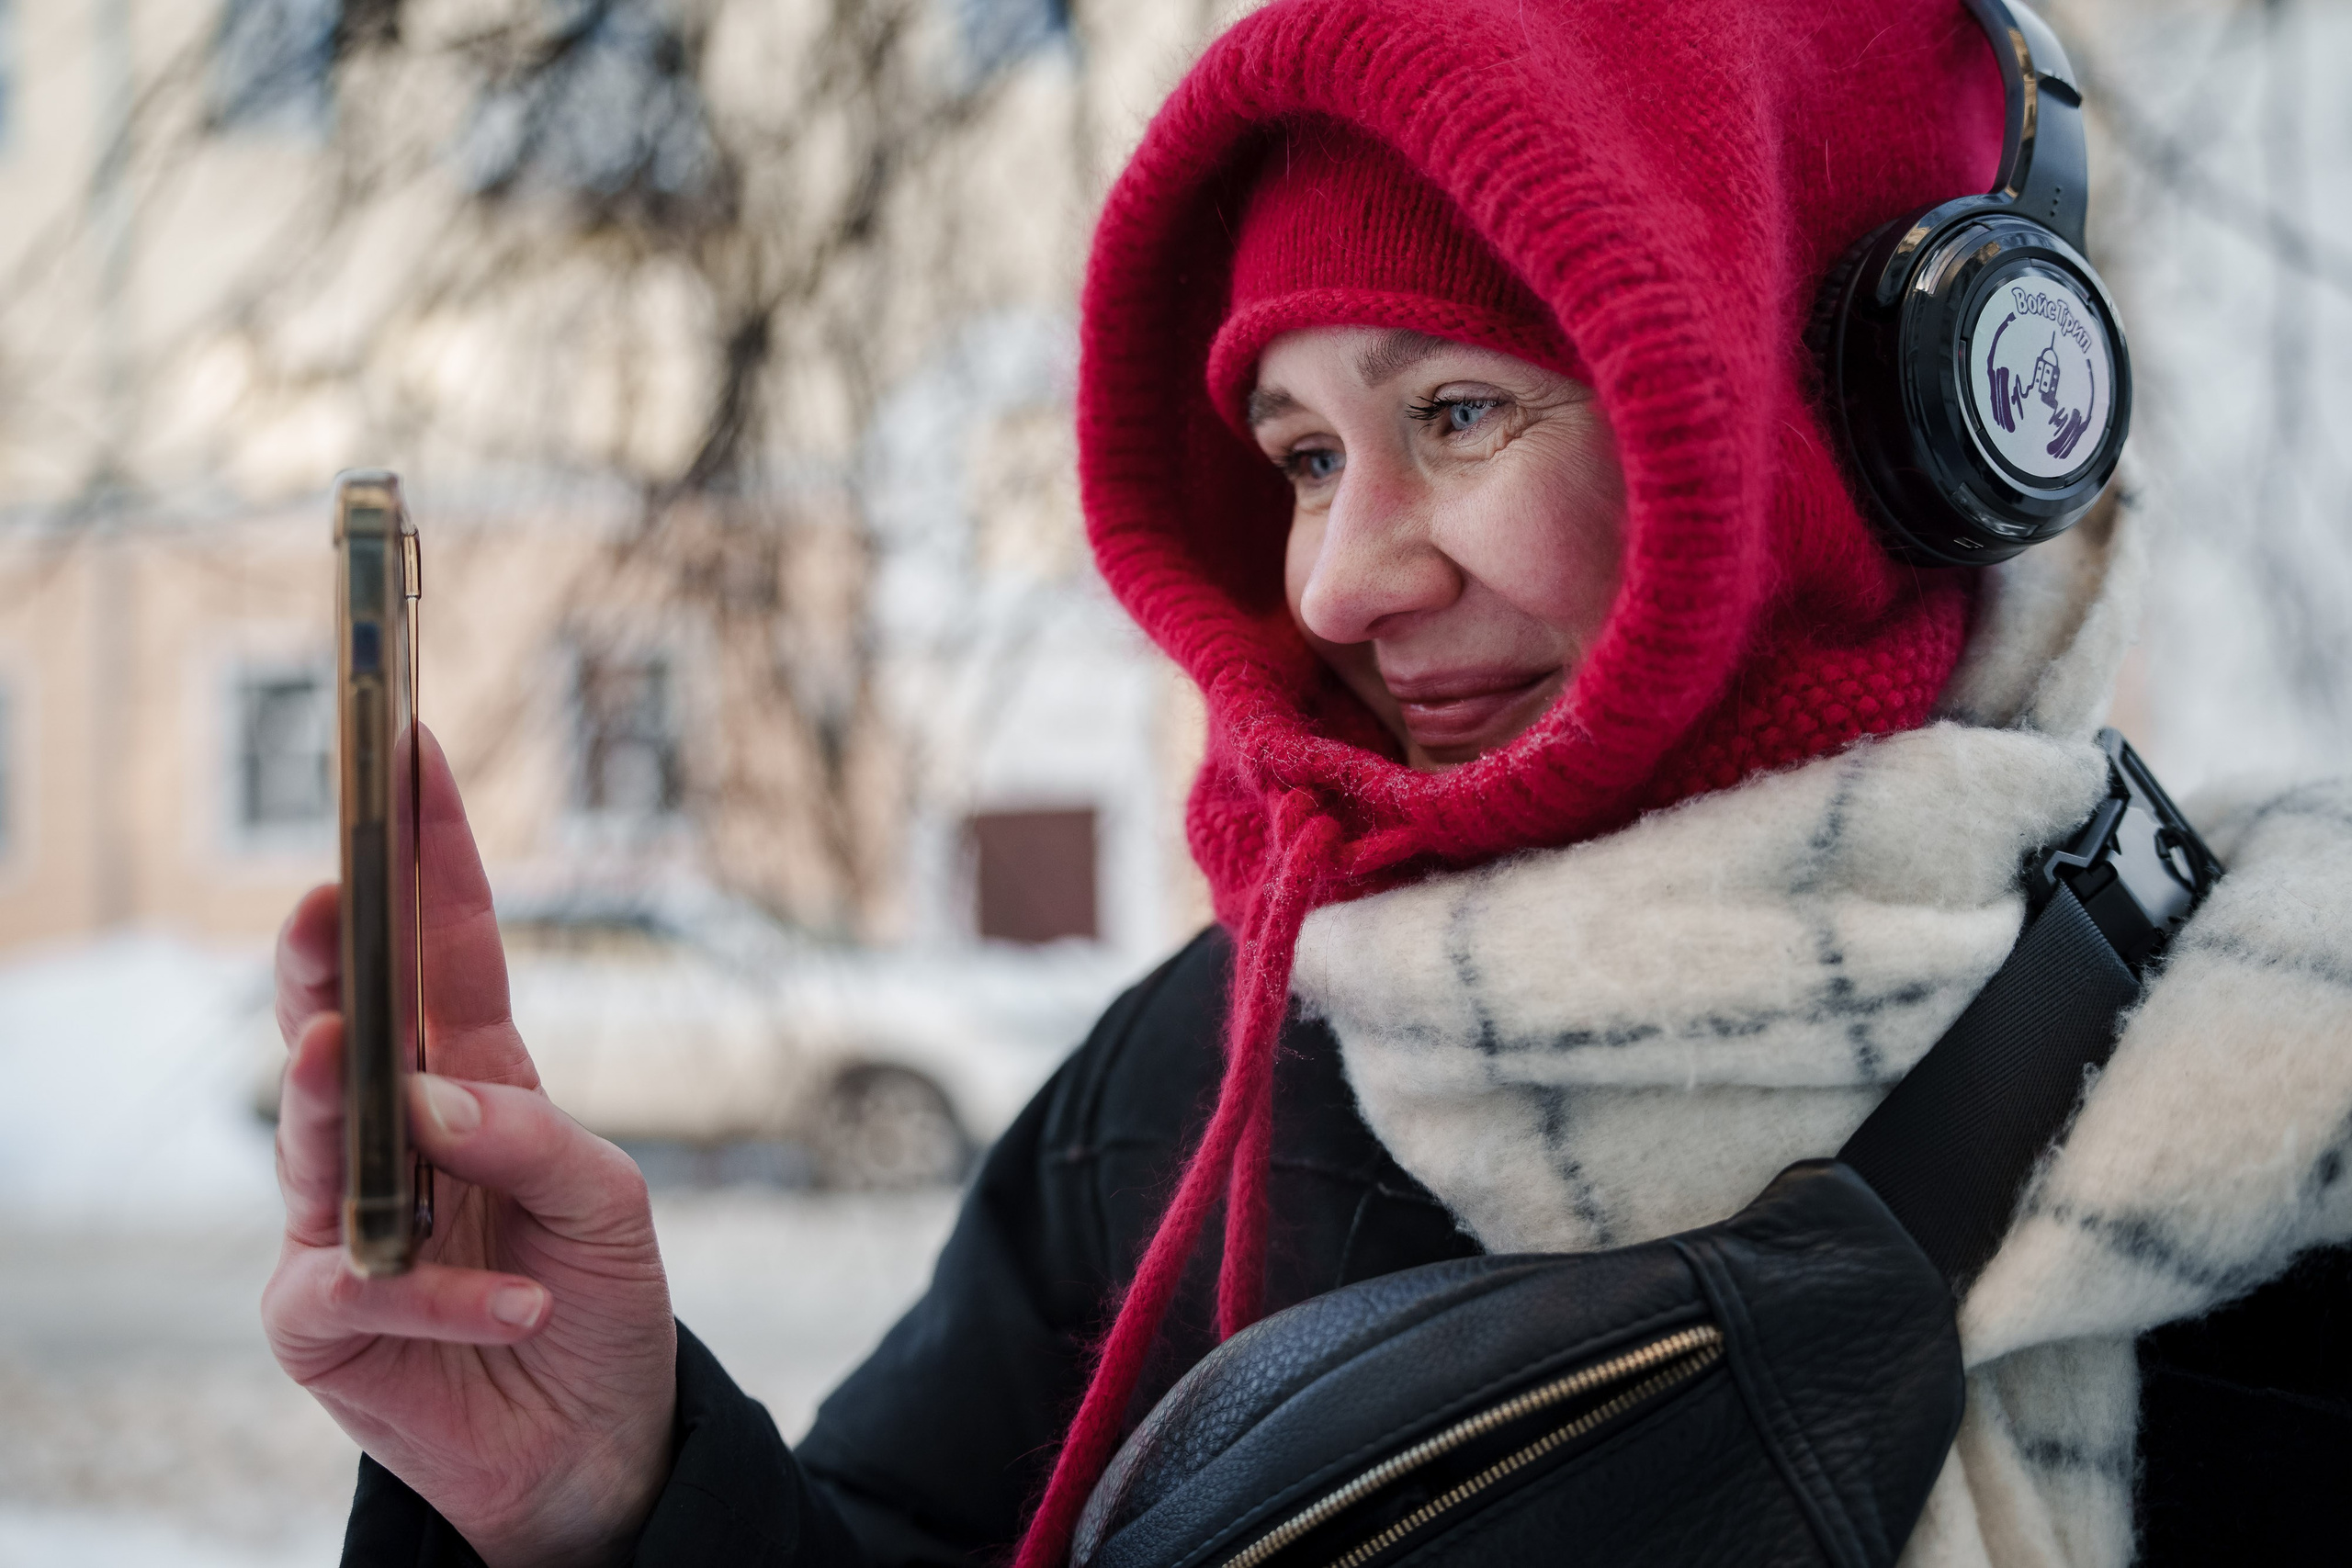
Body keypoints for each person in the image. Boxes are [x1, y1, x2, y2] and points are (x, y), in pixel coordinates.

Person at [266, 1, 2352, 1564]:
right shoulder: (1199, 1075)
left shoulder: (2271, 1080)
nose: (1342, 578)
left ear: (1840, 423)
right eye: (1299, 455)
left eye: (1456, 410)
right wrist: (598, 1486)